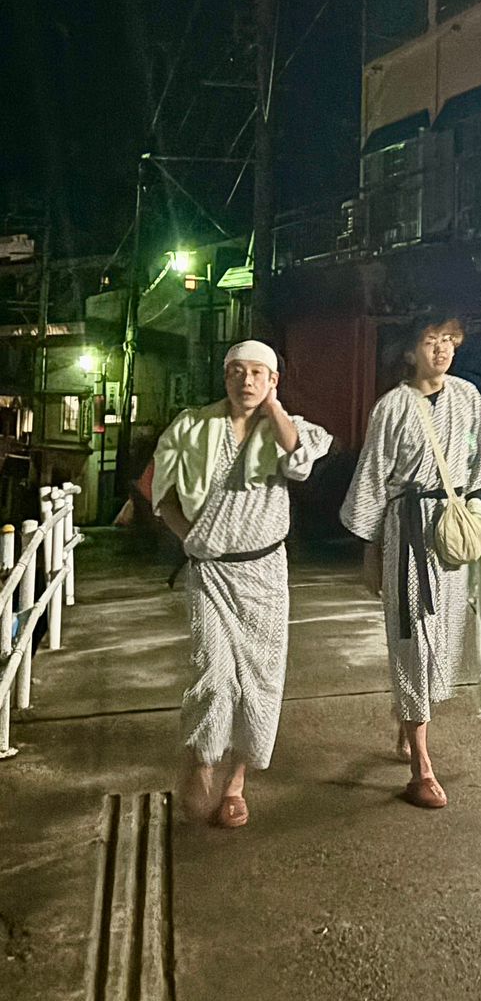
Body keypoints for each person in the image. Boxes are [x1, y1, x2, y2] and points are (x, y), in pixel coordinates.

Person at [151, 340, 332, 828]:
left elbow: (300, 461)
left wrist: (274, 408)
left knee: (260, 679)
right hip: (210, 569)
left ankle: (236, 781)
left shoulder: (287, 429)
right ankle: (201, 760)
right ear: (224, 375)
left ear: (273, 380)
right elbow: (161, 493)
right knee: (211, 669)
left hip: (266, 571)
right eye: (236, 371)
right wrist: (190, 539)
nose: (246, 381)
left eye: (258, 373)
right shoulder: (192, 425)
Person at [341, 312, 481, 808]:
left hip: (449, 529)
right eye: (431, 341)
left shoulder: (468, 398)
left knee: (444, 639)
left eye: (449, 341)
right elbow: (372, 477)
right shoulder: (391, 407)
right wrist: (371, 550)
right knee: (412, 637)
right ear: (410, 351)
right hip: (406, 529)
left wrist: (468, 509)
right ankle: (421, 766)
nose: (441, 350)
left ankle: (410, 719)